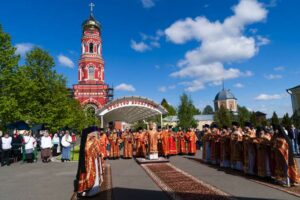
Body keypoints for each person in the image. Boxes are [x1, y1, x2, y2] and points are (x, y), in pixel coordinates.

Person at [71, 126, 104, 199]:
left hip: (86, 162)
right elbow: (98, 151)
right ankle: (92, 191)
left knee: (85, 175)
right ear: (91, 133)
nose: (96, 133)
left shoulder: (85, 140)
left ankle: (84, 191)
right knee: (93, 176)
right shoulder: (93, 141)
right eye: (95, 132)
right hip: (92, 161)